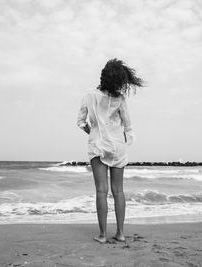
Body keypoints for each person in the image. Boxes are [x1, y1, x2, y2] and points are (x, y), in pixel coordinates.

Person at [77, 58, 144, 243]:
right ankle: (121, 234)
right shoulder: (120, 98)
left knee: (101, 191)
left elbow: (81, 122)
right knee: (118, 191)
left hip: (97, 145)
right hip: (117, 146)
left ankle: (102, 235)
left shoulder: (89, 95)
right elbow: (128, 126)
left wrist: (94, 133)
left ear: (103, 75)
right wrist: (124, 141)